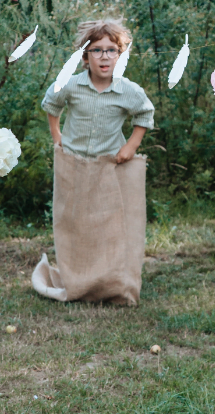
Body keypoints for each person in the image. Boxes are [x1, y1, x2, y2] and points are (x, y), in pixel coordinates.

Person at [32, 18, 155, 305]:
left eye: (111, 50)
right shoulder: (71, 85)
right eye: (96, 50)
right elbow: (51, 105)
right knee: (76, 224)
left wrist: (132, 145)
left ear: (120, 55)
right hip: (73, 164)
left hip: (110, 166)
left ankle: (112, 282)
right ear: (85, 56)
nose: (104, 56)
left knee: (108, 225)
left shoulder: (128, 90)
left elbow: (144, 115)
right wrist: (57, 136)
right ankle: (78, 280)